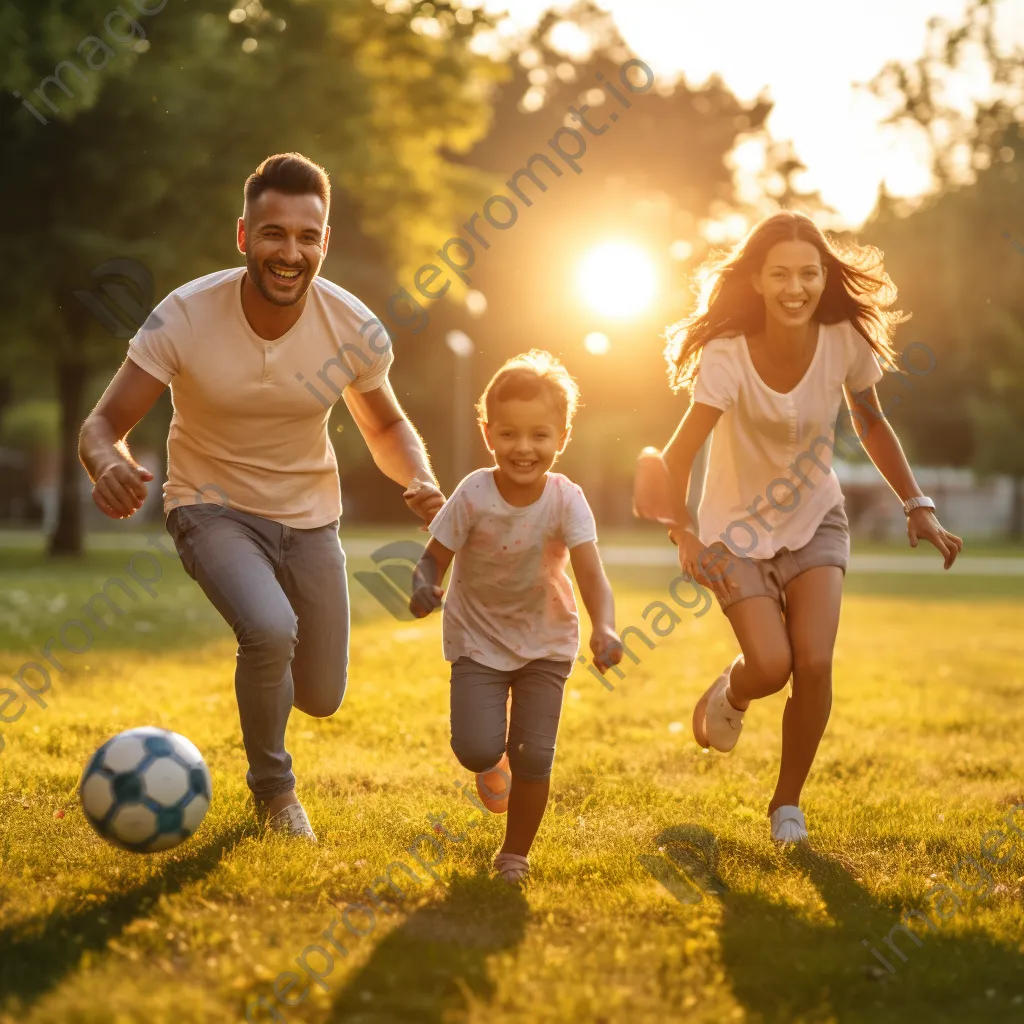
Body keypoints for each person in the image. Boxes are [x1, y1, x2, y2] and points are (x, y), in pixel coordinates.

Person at [78, 152, 444, 841]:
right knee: (269, 628)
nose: (290, 252)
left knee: (322, 696)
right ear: (243, 236)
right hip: (208, 506)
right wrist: (107, 464)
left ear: (324, 243)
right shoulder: (184, 316)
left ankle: (276, 734)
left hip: (309, 519)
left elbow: (386, 423)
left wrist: (419, 477)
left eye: (308, 236)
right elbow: (103, 424)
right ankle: (275, 792)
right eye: (273, 233)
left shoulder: (352, 326)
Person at [637, 210, 962, 844]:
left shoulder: (844, 341)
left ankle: (786, 805)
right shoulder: (726, 357)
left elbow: (869, 423)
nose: (796, 288)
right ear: (755, 280)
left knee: (813, 661)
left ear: (823, 278)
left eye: (809, 274)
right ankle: (732, 691)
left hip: (816, 517)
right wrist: (684, 537)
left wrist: (916, 502)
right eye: (780, 274)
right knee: (771, 666)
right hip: (733, 534)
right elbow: (673, 460)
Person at [408, 350, 622, 882]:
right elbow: (435, 556)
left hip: (546, 642)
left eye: (539, 436)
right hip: (478, 640)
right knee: (476, 746)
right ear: (489, 433)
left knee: (534, 755)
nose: (524, 449)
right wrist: (423, 586)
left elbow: (592, 574)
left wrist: (606, 627)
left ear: (562, 436)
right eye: (509, 434)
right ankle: (489, 764)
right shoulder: (474, 494)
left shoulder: (566, 499)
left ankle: (515, 854)